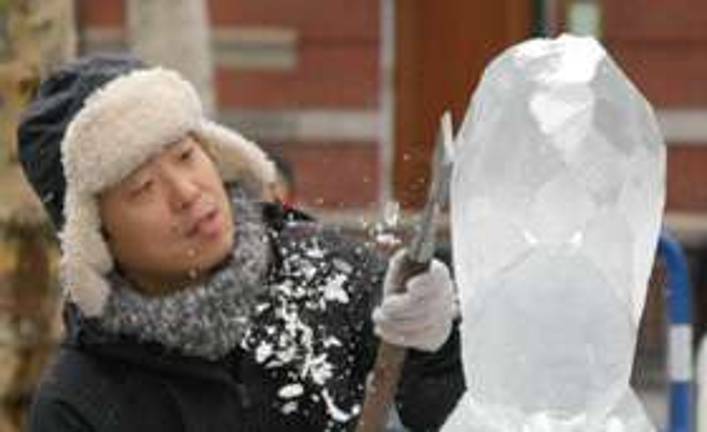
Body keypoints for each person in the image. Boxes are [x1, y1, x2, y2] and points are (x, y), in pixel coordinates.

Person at [17, 54, 464, 432]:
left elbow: (456, 412)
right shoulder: (80, 407)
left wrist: (437, 345)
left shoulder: (322, 269)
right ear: (96, 235)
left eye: (186, 155)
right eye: (143, 188)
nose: (187, 192)